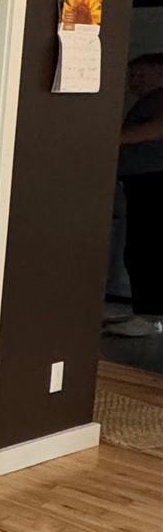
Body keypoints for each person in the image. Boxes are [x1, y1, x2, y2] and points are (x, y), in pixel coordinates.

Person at [109, 53, 163, 336]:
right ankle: (145, 311)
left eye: (143, 74)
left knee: (146, 247)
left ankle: (149, 315)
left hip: (153, 183)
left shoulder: (159, 100)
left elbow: (155, 130)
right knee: (140, 246)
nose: (135, 80)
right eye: (132, 74)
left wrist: (107, 136)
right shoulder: (146, 102)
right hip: (141, 182)